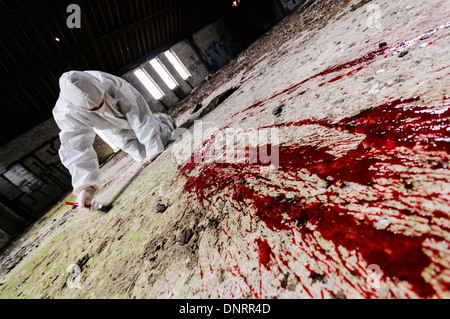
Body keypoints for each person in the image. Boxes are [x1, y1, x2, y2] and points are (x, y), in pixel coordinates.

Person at [53, 70, 175, 209]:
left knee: (162, 141)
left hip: (130, 115)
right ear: (79, 107)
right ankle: (153, 134)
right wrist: (85, 186)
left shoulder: (109, 82)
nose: (101, 108)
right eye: (95, 108)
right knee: (143, 156)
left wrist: (153, 146)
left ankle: (165, 120)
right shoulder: (66, 113)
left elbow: (138, 114)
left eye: (102, 101)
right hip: (113, 131)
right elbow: (76, 145)